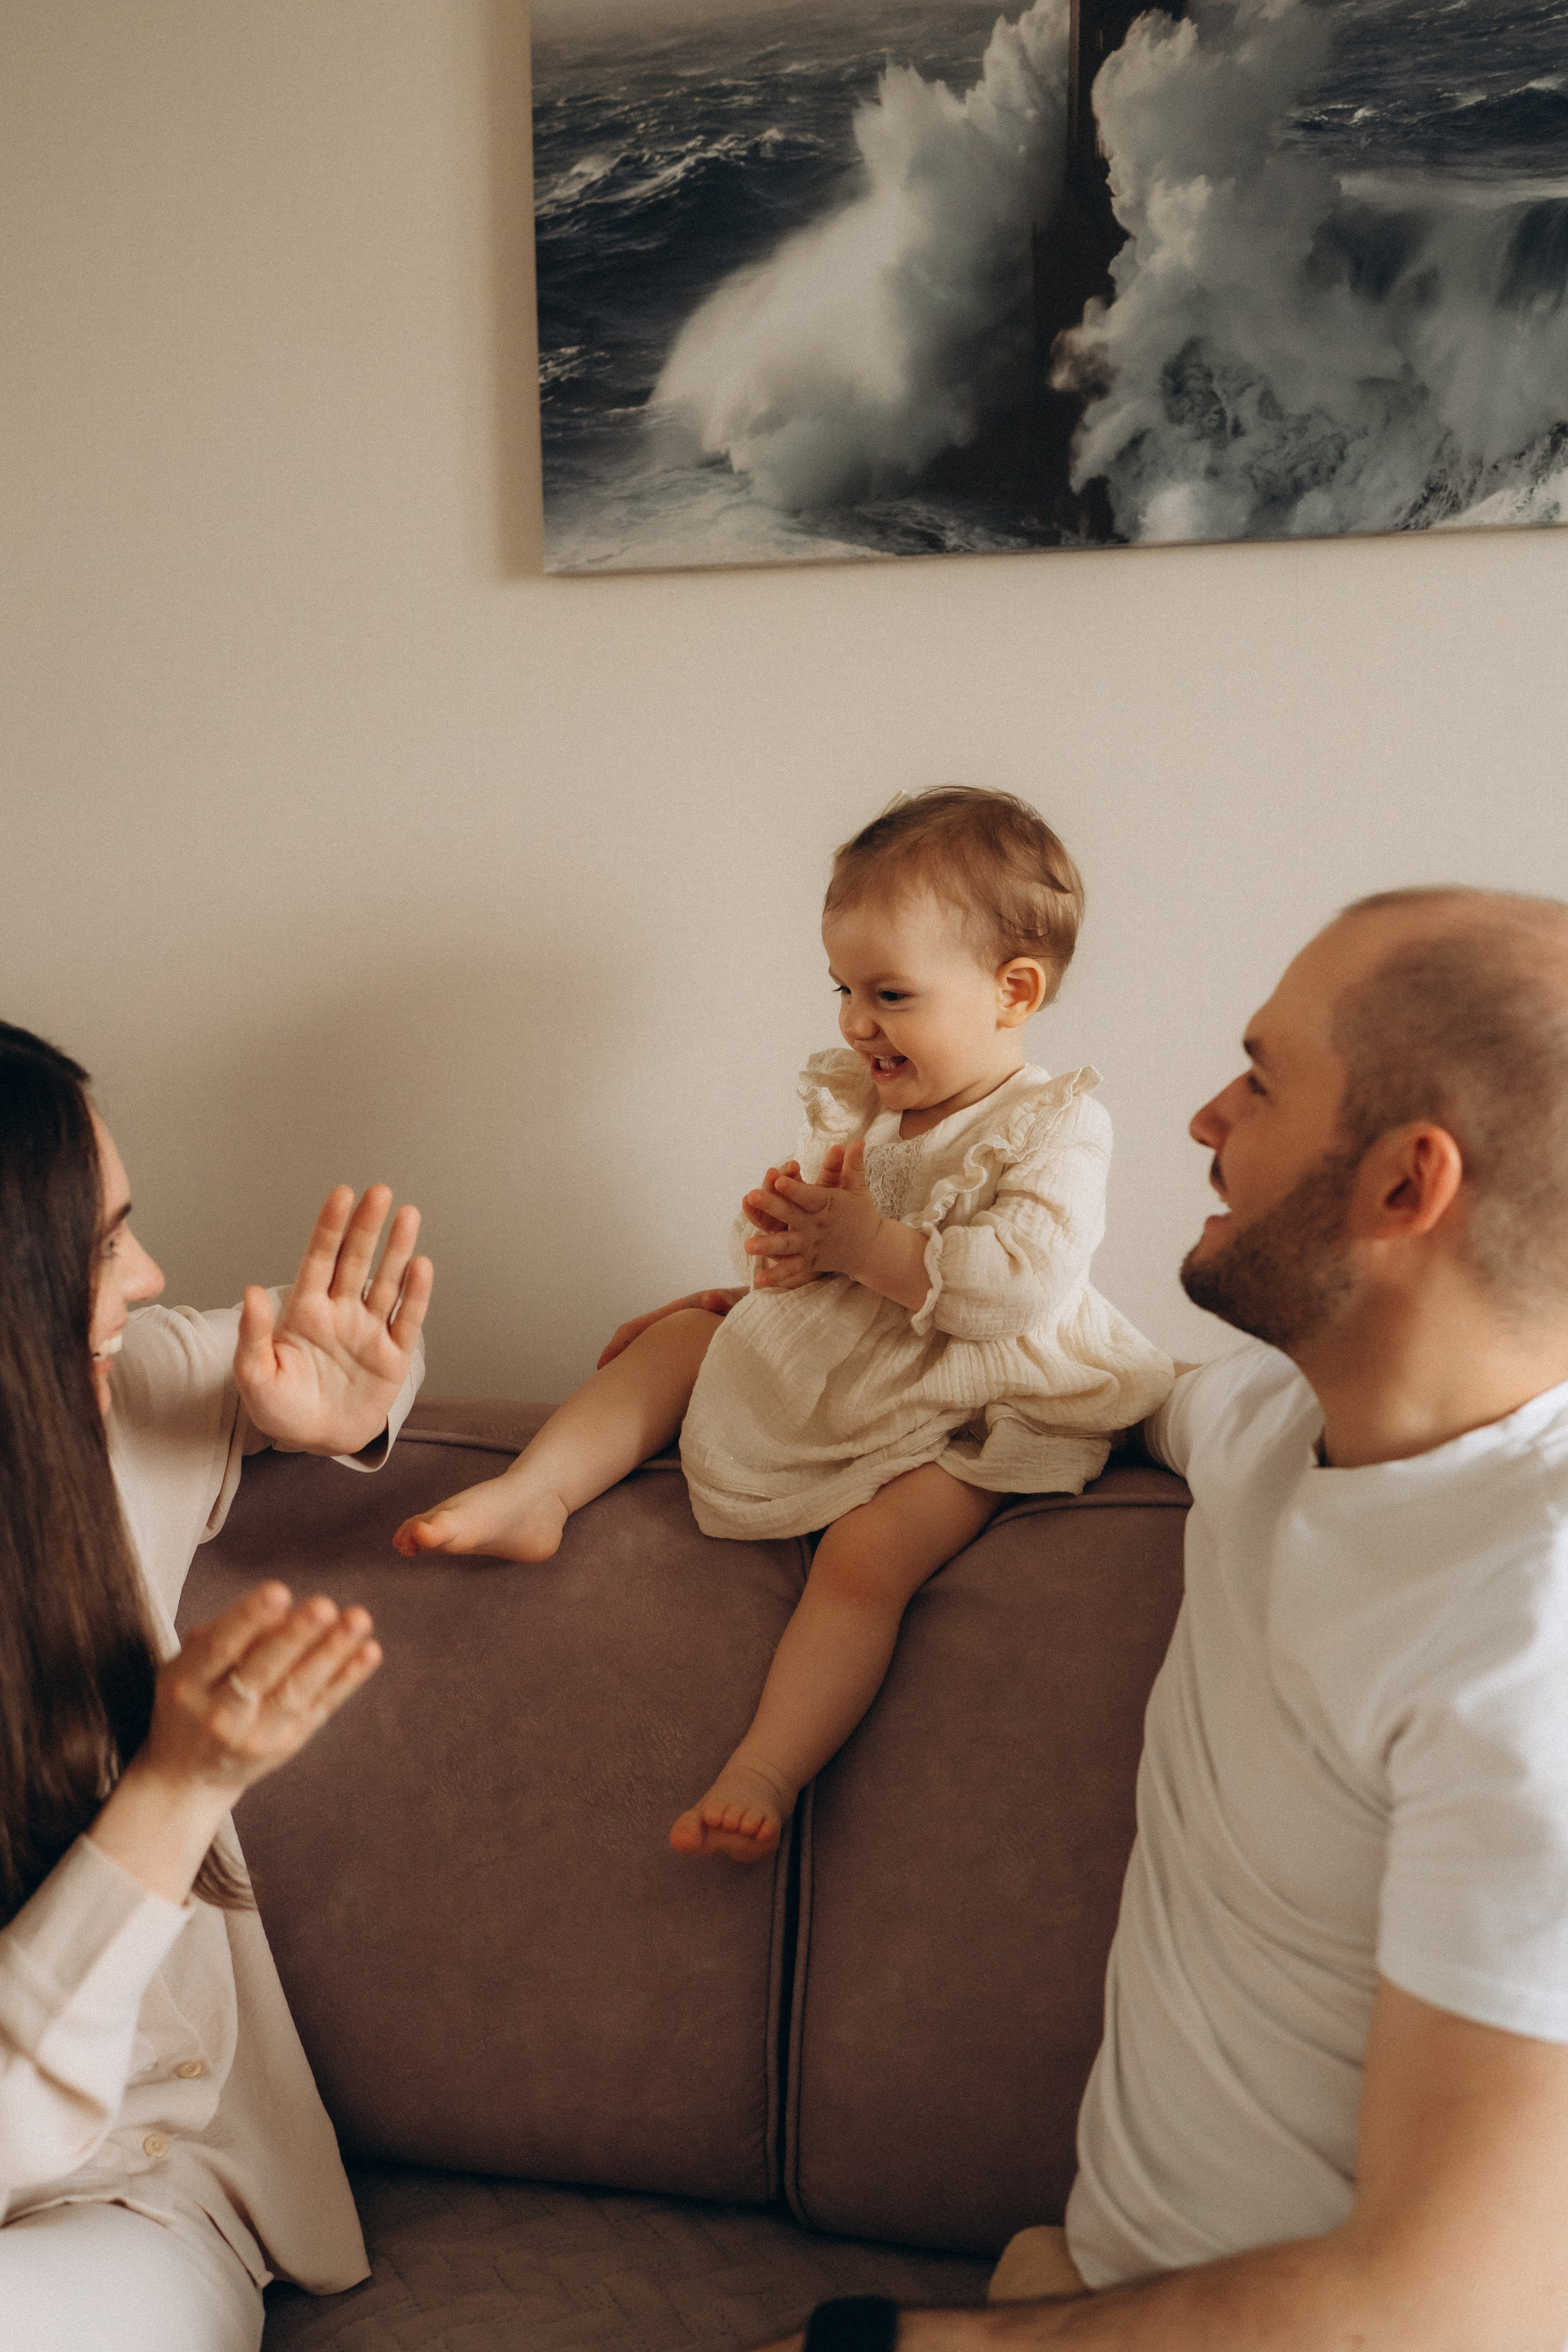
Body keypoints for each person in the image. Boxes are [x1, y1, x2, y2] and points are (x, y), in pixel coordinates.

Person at [760, 886, 1568, 2352]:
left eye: (1259, 1077)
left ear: (1403, 1186)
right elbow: (1081, 1385)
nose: (1203, 1116)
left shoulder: (1530, 1634)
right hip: (1099, 2284)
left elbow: (1456, 2308)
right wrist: (729, 1342)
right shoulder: (1266, 1421)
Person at [393, 788, 1172, 1860]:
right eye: (844, 988)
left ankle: (766, 1767)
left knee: (865, 1556)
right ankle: (537, 1493)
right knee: (679, 1334)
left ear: (1013, 991)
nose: (857, 1022)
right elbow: (800, 1260)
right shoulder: (861, 1105)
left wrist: (865, 1246)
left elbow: (1019, 1287)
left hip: (983, 1399)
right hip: (859, 1358)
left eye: (890, 993)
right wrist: (782, 1237)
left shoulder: (1055, 1122)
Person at [0, 1020, 432, 2352]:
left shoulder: (116, 1410)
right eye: (99, 1244)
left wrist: (353, 1411)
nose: (147, 1275)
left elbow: (299, 1384)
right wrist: (177, 1783)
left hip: (126, 2187)